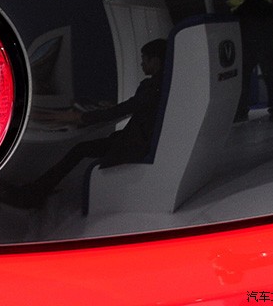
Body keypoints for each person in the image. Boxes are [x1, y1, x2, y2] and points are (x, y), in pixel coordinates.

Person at [14, 39, 166, 199]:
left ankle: (34, 193)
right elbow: (132, 107)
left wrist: (80, 117)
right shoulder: (161, 84)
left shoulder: (152, 87)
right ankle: (37, 190)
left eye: (144, 59)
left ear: (155, 61)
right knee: (80, 149)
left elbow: (124, 109)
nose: (141, 63)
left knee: (79, 150)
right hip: (135, 142)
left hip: (133, 147)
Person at [234, 0, 273, 122]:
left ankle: (241, 110)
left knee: (243, 81)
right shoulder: (268, 7)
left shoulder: (240, 12)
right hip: (269, 48)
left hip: (248, 50)